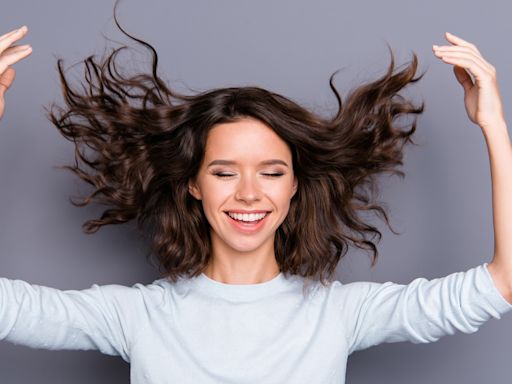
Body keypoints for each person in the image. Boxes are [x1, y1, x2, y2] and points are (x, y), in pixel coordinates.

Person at [0, 13, 511, 384]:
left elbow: (505, 282)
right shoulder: (138, 316)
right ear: (193, 186)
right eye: (224, 172)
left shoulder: (337, 314)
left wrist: (492, 124)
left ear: (294, 185)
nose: (249, 193)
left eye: (271, 172)